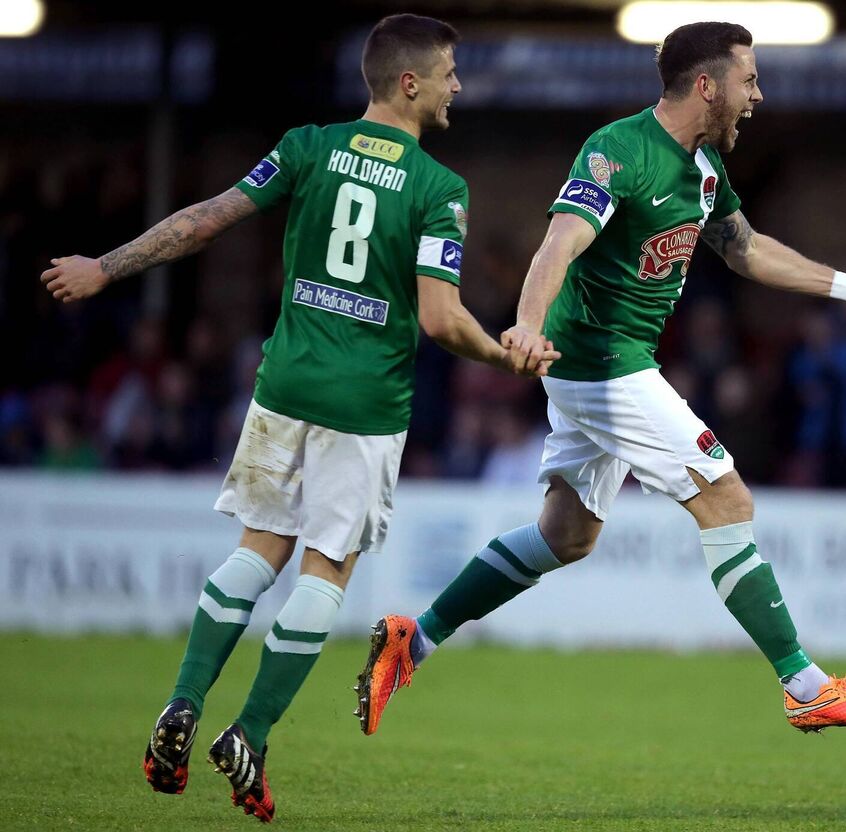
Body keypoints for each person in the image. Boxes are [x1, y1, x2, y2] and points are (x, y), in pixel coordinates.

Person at [40, 13, 557, 823]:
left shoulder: (307, 146)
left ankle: (181, 704)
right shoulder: (438, 190)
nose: (460, 84)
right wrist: (505, 355)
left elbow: (207, 216)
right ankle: (250, 731)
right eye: (451, 71)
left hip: (283, 385)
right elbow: (440, 320)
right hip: (364, 404)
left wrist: (105, 268)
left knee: (257, 549)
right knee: (326, 568)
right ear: (409, 82)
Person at [356, 22, 846, 740]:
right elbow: (560, 242)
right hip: (602, 362)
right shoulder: (618, 151)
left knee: (568, 534)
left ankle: (415, 639)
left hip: (608, 367)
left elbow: (743, 248)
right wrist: (525, 324)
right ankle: (804, 685)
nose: (757, 97)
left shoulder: (704, 166)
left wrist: (844, 286)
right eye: (748, 81)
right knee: (725, 494)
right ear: (707, 86)